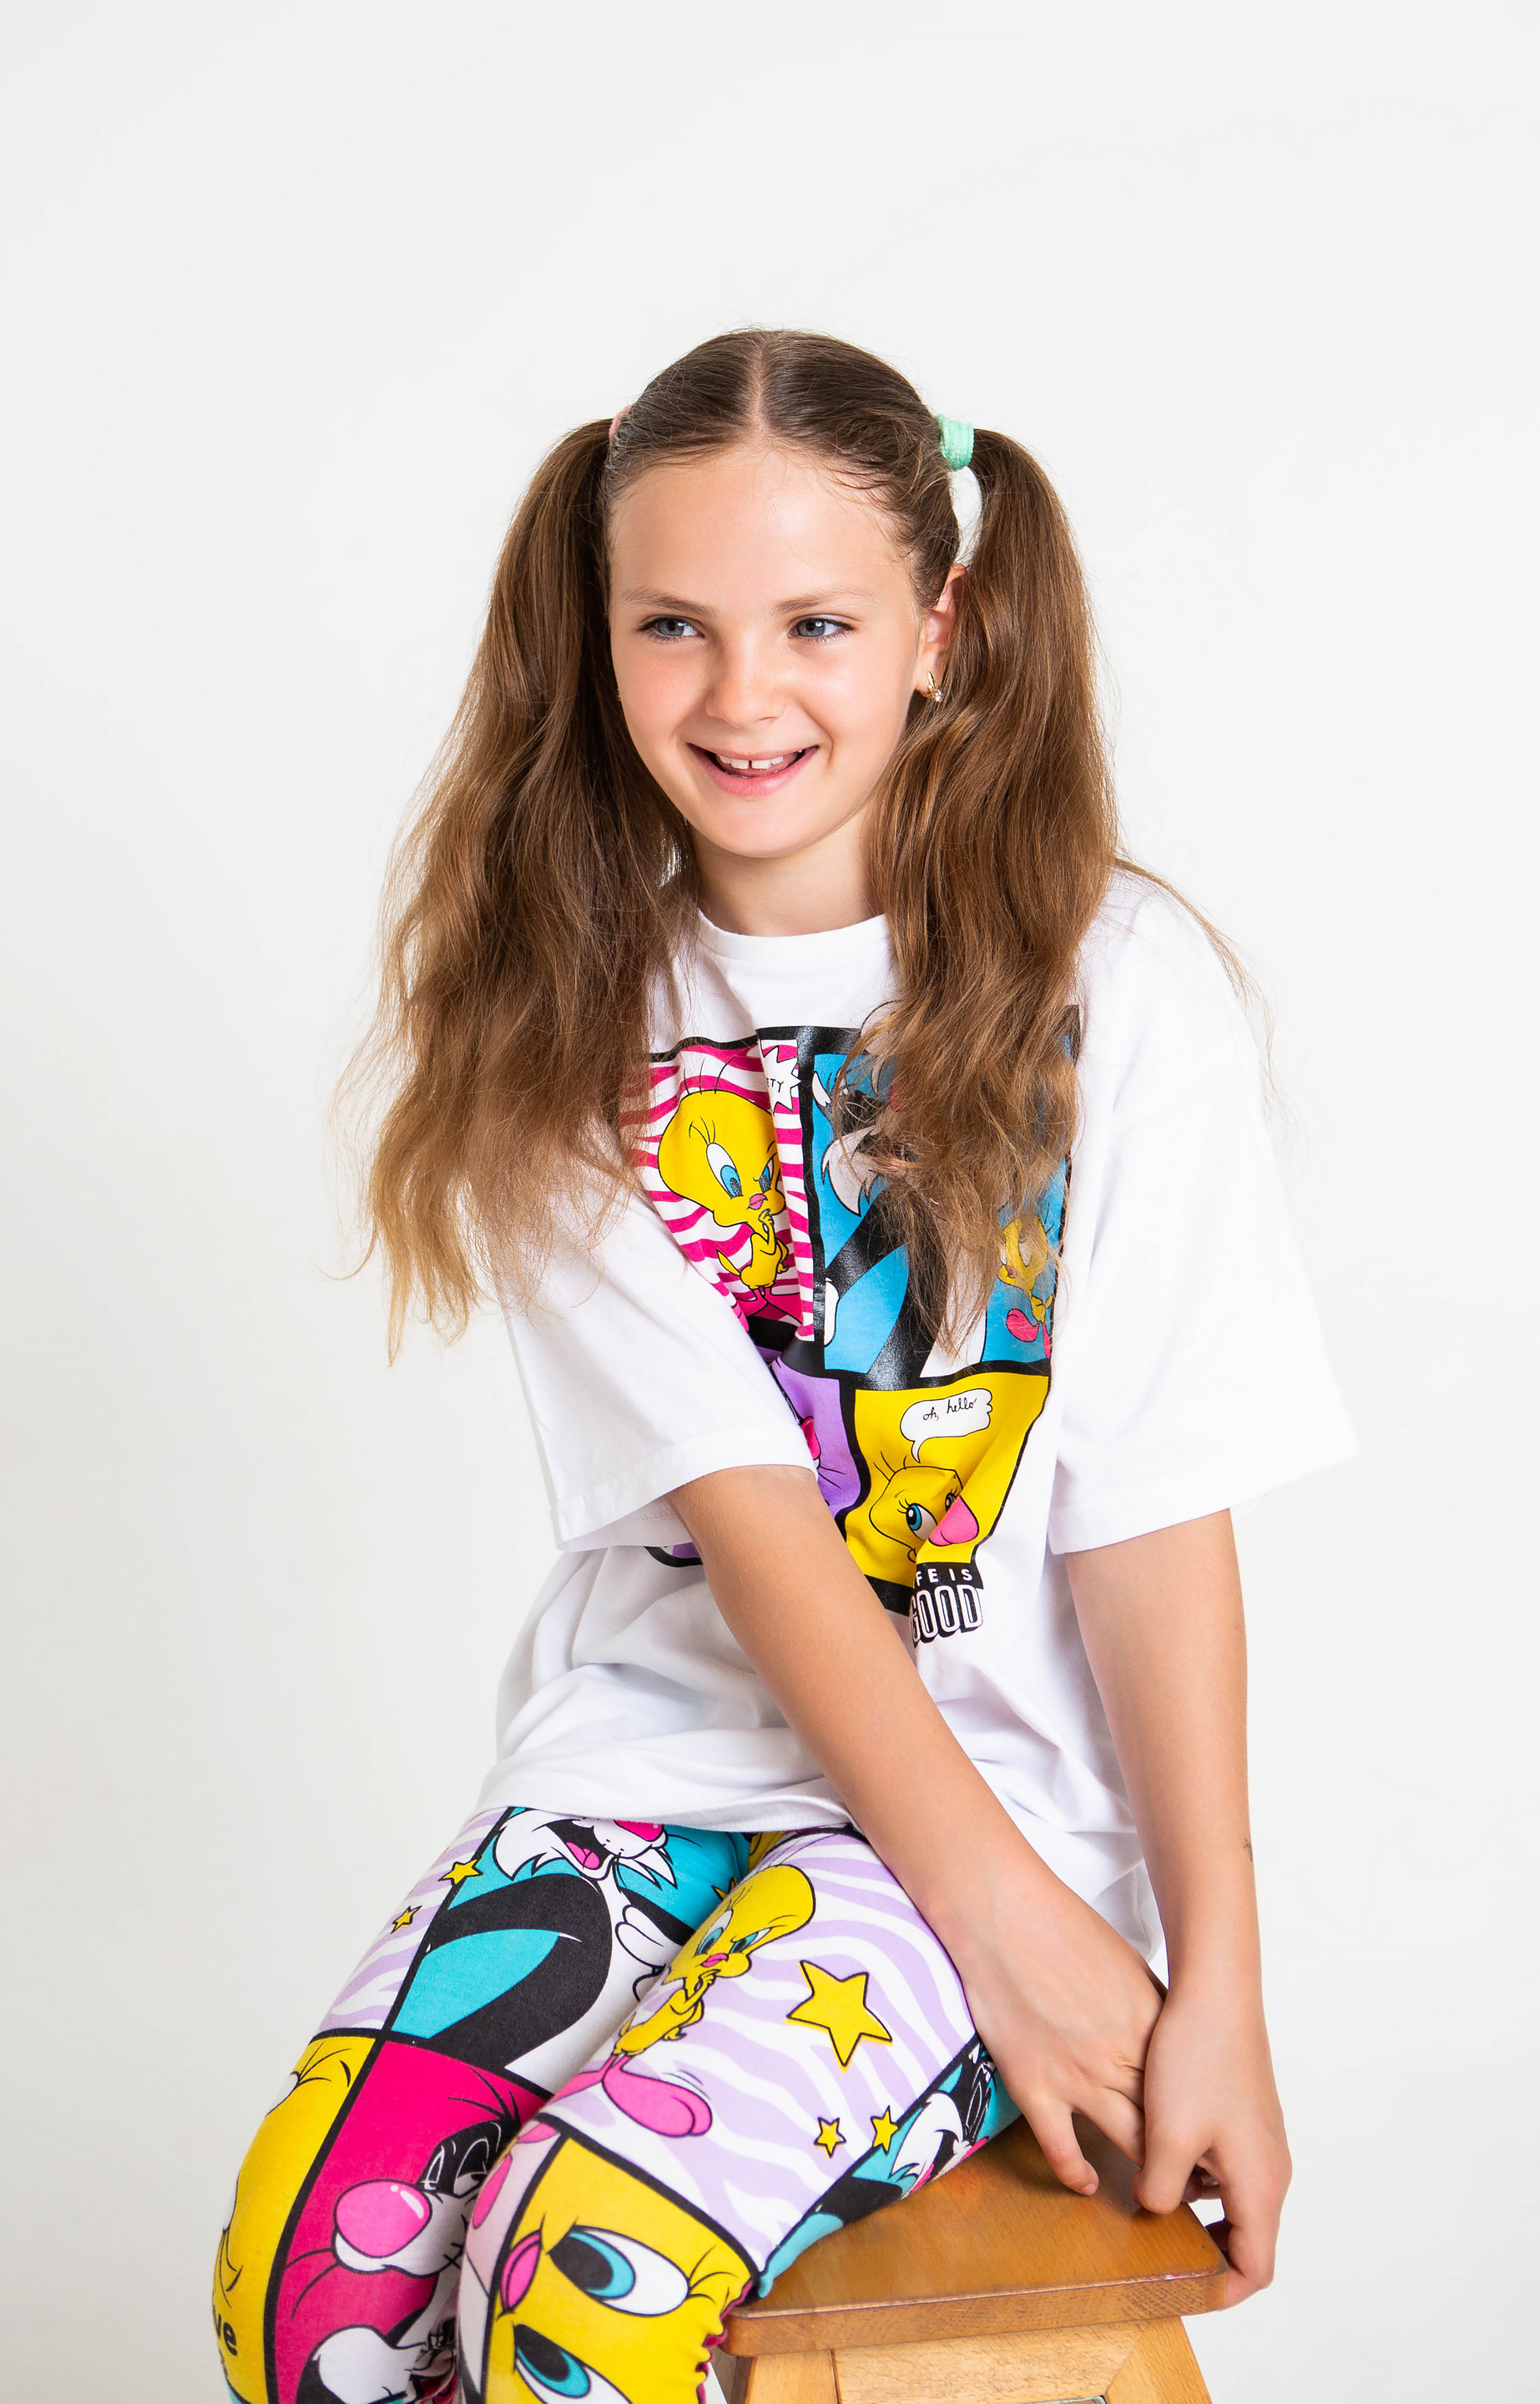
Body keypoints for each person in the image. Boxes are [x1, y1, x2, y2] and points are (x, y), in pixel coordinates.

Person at [212, 330, 1354, 2404]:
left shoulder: (1123, 987)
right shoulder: (560, 1022)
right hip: (643, 1789)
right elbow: (755, 1532)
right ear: (597, 641)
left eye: (817, 623)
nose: (744, 695)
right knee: (314, 2296)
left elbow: (1152, 1517)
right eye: (675, 626)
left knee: (580, 2287)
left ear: (944, 629)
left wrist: (1203, 1984)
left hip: (996, 1828)